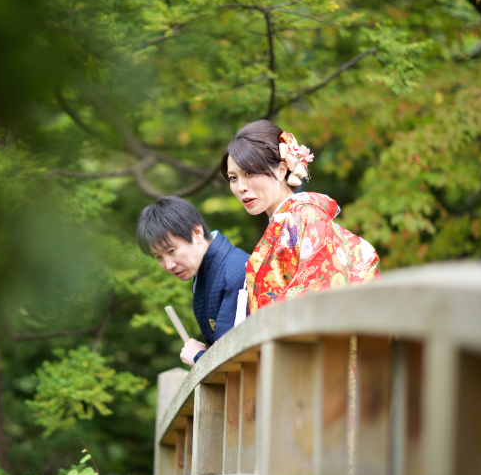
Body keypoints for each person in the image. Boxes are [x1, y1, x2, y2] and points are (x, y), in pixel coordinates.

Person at [221, 120, 380, 314]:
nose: (241, 187)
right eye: (233, 178)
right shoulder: (285, 222)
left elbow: (320, 287)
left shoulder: (307, 215)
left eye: (249, 173)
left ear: (281, 170)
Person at [137, 196, 249, 366]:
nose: (168, 265)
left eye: (172, 250)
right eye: (158, 257)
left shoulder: (236, 270)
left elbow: (233, 360)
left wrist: (198, 357)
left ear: (197, 233)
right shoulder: (204, 272)